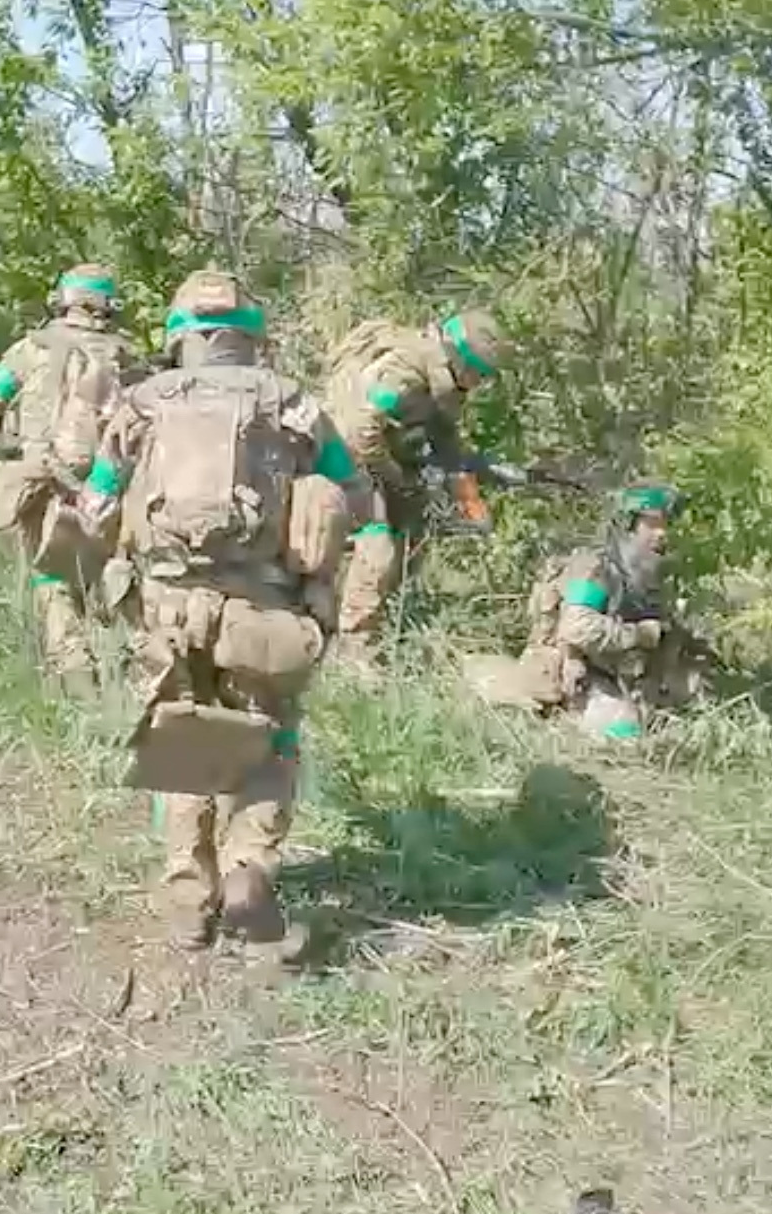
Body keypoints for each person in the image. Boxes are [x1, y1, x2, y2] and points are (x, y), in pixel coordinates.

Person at [75, 271, 365, 954]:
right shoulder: (292, 401)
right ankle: (249, 869)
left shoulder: (142, 403)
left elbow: (97, 500)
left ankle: (186, 893)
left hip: (166, 608)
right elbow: (355, 494)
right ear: (252, 337)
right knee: (271, 740)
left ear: (181, 337)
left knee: (180, 739)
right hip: (264, 612)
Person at [0, 263, 144, 690]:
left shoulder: (32, 349)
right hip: (110, 485)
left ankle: (75, 670)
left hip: (43, 478)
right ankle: (134, 662)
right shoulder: (128, 358)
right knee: (110, 570)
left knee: (51, 574)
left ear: (63, 299)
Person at [311, 307, 514, 659]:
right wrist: (395, 474)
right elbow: (361, 430)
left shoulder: (444, 383)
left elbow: (448, 447)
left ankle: (384, 615)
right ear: (460, 360)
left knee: (411, 533)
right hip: (343, 452)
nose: (481, 383)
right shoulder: (404, 371)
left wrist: (473, 505)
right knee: (377, 546)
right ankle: (353, 652)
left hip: (378, 454)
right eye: (479, 374)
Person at [466, 483, 699, 739]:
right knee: (625, 731)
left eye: (665, 524)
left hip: (624, 673)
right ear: (627, 526)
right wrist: (638, 634)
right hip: (581, 674)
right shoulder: (595, 568)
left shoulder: (645, 574)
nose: (662, 533)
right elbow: (577, 627)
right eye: (652, 524)